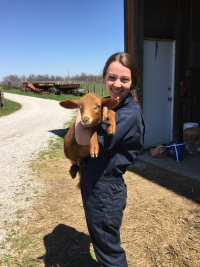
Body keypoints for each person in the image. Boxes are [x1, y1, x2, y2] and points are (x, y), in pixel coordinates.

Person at [74, 52, 145, 267]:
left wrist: (83, 105)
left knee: (109, 253)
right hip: (95, 183)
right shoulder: (113, 106)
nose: (117, 84)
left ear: (132, 82)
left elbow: (82, 136)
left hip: (104, 190)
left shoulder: (128, 113)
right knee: (101, 243)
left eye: (124, 79)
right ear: (104, 78)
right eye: (112, 77)